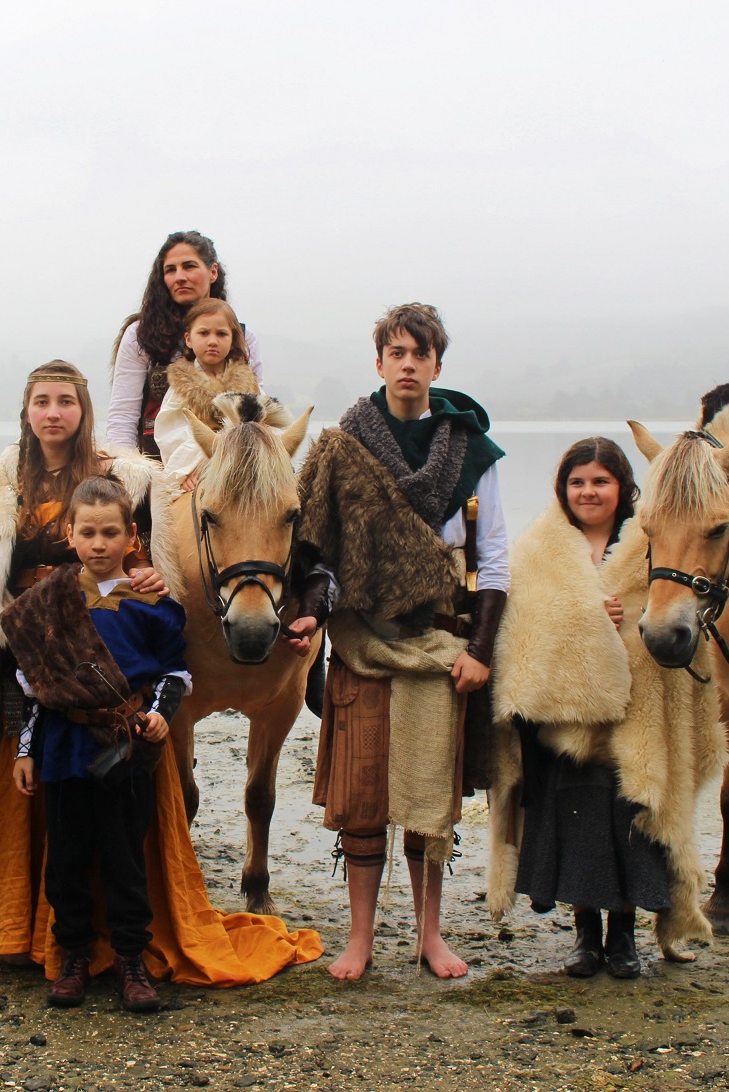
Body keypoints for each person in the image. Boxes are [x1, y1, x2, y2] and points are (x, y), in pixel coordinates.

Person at [0, 361, 320, 985]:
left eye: (65, 401)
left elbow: (166, 550)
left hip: (112, 657)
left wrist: (153, 575)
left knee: (116, 813)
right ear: (26, 411)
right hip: (34, 652)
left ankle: (121, 942)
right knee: (44, 806)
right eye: (41, 401)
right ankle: (33, 932)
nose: (53, 413)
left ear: (83, 409)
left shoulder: (127, 474)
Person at [288, 302, 509, 980]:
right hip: (361, 639)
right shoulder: (340, 446)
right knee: (360, 798)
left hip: (440, 639)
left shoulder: (470, 451)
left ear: (437, 365)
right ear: (378, 362)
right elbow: (312, 548)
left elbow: (494, 559)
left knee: (425, 802)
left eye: (420, 353)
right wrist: (310, 613)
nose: (407, 364)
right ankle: (358, 939)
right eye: (396, 352)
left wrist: (481, 652)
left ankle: (428, 936)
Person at [486, 439, 723, 980]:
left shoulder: (652, 541)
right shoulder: (539, 549)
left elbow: (677, 611)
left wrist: (627, 617)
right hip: (564, 725)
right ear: (562, 489)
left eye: (600, 481)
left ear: (623, 488)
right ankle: (586, 938)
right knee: (579, 828)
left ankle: (625, 940)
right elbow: (522, 627)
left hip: (635, 719)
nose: (588, 492)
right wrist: (583, 617)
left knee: (630, 826)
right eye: (577, 482)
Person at [3, 477, 188, 1011]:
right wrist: (23, 752)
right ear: (70, 534)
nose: (100, 543)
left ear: (132, 535)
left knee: (125, 859)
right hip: (63, 746)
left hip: (126, 750)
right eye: (89, 532)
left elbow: (175, 675)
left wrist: (158, 718)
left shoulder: (154, 604)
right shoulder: (49, 601)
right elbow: (33, 687)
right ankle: (73, 959)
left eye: (111, 532)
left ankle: (132, 962)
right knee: (66, 859)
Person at [106, 231, 265, 458]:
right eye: (170, 270)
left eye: (189, 266)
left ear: (212, 272)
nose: (179, 277)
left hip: (228, 463)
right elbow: (123, 416)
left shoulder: (243, 337)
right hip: (156, 465)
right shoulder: (140, 335)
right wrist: (125, 475)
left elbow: (259, 411)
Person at [153, 298, 262, 490]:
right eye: (203, 333)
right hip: (197, 469)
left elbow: (265, 424)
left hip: (243, 464)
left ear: (233, 338)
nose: (212, 341)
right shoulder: (182, 384)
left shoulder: (248, 383)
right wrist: (187, 470)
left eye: (221, 334)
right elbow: (170, 431)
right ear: (188, 338)